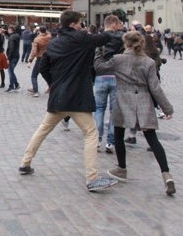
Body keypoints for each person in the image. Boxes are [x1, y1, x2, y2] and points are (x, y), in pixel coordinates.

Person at [18, 11, 118, 192]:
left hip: (58, 96)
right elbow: (104, 38)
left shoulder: (54, 43)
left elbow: (44, 68)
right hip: (77, 96)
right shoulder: (81, 38)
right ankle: (92, 178)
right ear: (73, 24)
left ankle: (25, 163)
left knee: (43, 129)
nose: (81, 25)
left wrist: (52, 84)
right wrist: (111, 29)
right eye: (80, 23)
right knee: (91, 133)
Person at [94, 31, 176, 195]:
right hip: (143, 101)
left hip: (123, 100)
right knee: (152, 139)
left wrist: (98, 51)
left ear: (126, 44)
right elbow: (155, 88)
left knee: (118, 135)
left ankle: (122, 168)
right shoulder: (149, 62)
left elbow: (99, 68)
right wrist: (167, 108)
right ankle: (166, 175)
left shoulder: (118, 59)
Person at [93, 15, 125, 154]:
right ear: (114, 25)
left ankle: (97, 140)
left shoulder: (99, 38)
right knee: (114, 110)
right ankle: (110, 142)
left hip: (100, 75)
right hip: (116, 75)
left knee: (99, 109)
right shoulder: (122, 38)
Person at [27, 26, 51, 97]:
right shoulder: (49, 36)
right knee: (47, 74)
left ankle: (35, 91)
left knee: (34, 75)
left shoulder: (37, 39)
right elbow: (47, 32)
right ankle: (51, 87)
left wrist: (30, 61)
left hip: (40, 58)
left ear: (39, 31)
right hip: (48, 58)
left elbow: (34, 51)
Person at [5, 25, 21, 92]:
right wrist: (5, 32)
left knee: (10, 71)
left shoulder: (11, 37)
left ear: (11, 30)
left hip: (12, 56)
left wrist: (8, 58)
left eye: (8, 29)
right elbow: (9, 35)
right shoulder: (17, 35)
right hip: (17, 55)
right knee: (11, 71)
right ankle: (16, 84)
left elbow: (11, 48)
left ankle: (12, 86)